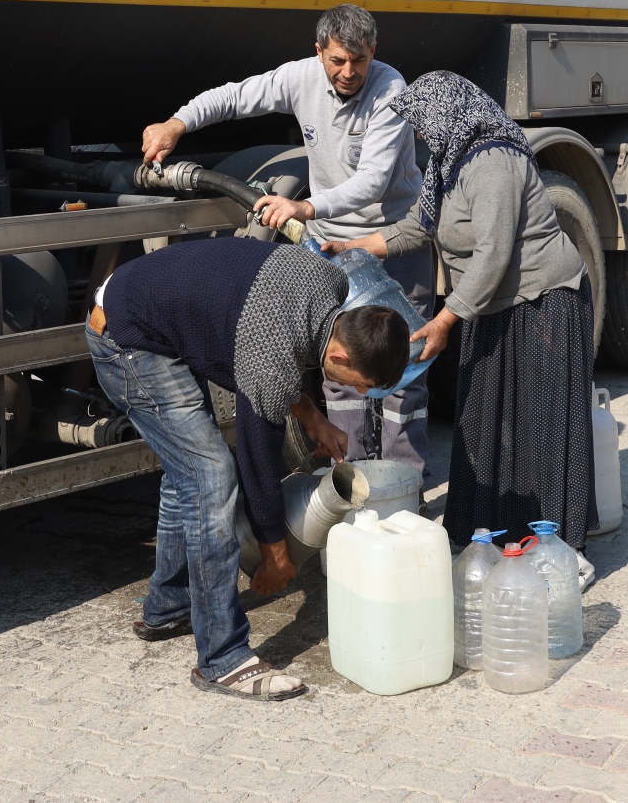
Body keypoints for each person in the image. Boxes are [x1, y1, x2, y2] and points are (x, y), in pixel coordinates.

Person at [86, 237, 408, 699]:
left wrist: (314, 418)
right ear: (340, 356)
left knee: (188, 472)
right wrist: (275, 552)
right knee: (210, 475)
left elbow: (285, 351)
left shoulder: (332, 287)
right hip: (126, 337)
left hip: (159, 316)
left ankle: (169, 606)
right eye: (358, 384)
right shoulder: (272, 353)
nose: (357, 394)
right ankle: (222, 658)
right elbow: (257, 462)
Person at [141, 4, 431, 471]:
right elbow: (235, 97)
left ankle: (402, 486)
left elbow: (374, 181)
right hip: (334, 256)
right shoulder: (300, 77)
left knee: (405, 370)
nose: (349, 72)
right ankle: (353, 481)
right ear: (318, 52)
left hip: (392, 243)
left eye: (359, 60)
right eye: (337, 61)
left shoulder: (391, 89)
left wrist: (305, 207)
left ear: (373, 51)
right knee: (342, 371)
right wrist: (178, 123)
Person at [328, 72, 600, 563]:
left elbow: (493, 254)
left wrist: (445, 320)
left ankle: (563, 551)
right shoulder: (449, 160)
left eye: (422, 122)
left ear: (446, 112)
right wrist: (357, 245)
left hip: (544, 302)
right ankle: (492, 536)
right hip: (492, 305)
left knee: (541, 427)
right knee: (487, 424)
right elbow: (418, 225)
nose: (419, 133)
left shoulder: (493, 159)